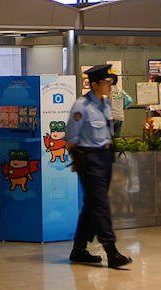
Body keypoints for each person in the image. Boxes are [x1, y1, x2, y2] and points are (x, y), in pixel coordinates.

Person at [64, 63, 131, 269]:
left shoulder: (104, 103)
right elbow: (70, 140)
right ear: (94, 84)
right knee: (100, 204)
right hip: (89, 160)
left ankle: (79, 249)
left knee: (93, 204)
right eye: (106, 82)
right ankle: (111, 250)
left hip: (105, 158)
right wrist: (79, 162)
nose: (110, 85)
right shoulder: (81, 107)